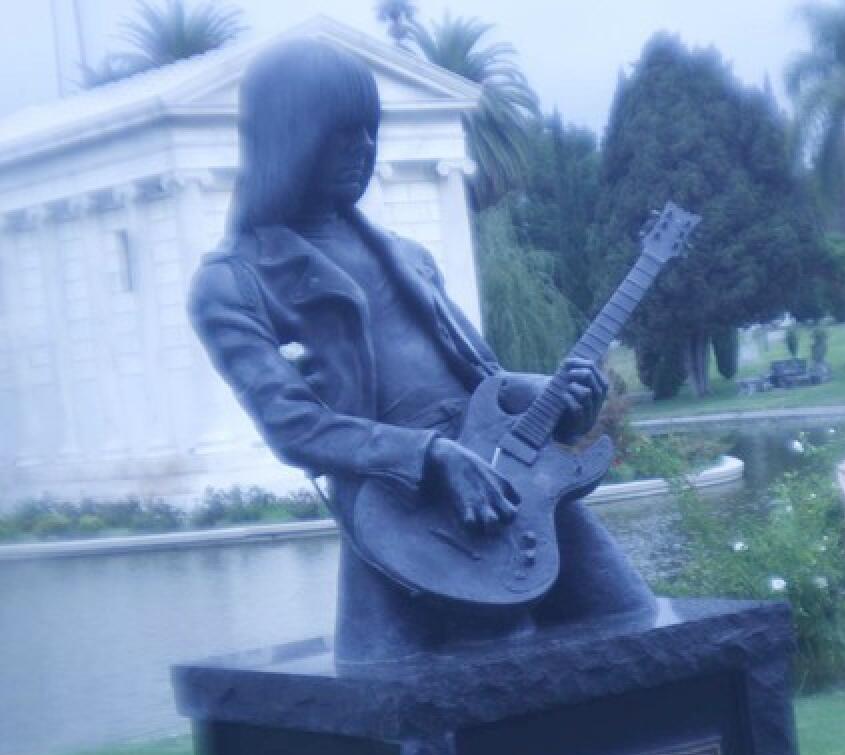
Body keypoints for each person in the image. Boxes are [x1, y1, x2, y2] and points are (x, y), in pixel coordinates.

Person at [188, 39, 654, 666]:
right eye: (340, 133)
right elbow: (295, 426)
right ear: (288, 138)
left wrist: (559, 398)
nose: (363, 150)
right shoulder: (234, 280)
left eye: (369, 132)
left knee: (628, 614)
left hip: (503, 479)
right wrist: (431, 456)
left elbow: (485, 381)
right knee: (487, 665)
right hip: (401, 510)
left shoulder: (409, 257)